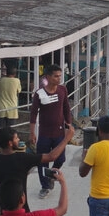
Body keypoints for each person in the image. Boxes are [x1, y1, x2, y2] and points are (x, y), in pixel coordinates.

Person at [0, 125, 73, 202]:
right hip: (21, 208)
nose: (19, 139)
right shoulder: (23, 158)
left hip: (2, 209)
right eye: (16, 138)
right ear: (10, 143)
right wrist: (66, 139)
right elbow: (51, 157)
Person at [28, 64, 71, 199]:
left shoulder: (62, 90)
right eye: (56, 76)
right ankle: (45, 186)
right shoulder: (39, 94)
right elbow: (33, 114)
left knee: (61, 158)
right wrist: (32, 132)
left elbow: (66, 108)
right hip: (44, 133)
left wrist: (69, 125)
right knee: (42, 161)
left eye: (60, 76)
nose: (59, 79)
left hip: (59, 133)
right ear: (48, 77)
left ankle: (51, 175)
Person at [0, 65, 21, 131]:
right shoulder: (17, 81)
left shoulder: (1, 80)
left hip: (2, 107)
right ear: (15, 74)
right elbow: (19, 90)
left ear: (6, 73)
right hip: (12, 108)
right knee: (11, 131)